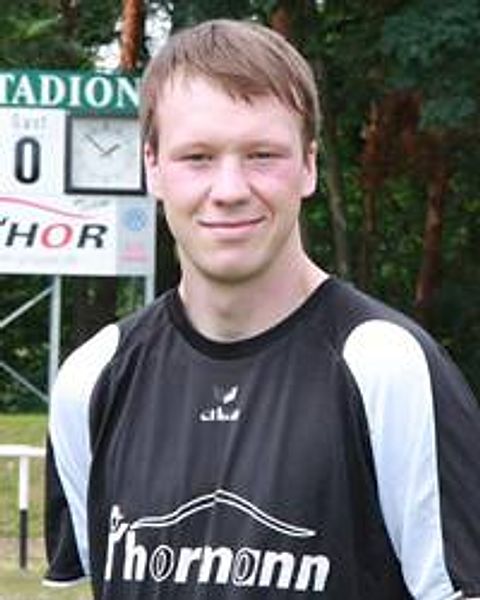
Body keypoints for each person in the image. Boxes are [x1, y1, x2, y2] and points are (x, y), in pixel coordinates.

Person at [44, 18, 480, 600]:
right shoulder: (91, 380)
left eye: (262, 155)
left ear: (308, 165)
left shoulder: (389, 369)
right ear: (152, 166)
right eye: (198, 156)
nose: (230, 189)